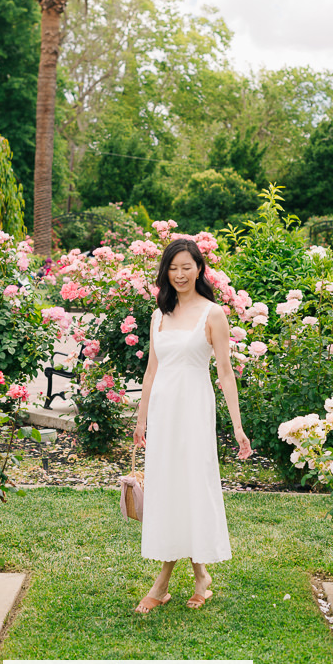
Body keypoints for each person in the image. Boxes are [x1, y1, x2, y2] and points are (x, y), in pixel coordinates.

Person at [133, 237, 252, 614]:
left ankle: (162, 582)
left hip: (195, 412)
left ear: (199, 268)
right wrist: (141, 418)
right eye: (173, 267)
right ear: (165, 272)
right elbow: (152, 371)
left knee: (192, 487)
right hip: (164, 414)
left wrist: (237, 426)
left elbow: (225, 373)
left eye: (187, 266)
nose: (180, 274)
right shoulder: (158, 314)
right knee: (168, 489)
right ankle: (201, 576)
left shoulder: (212, 314)